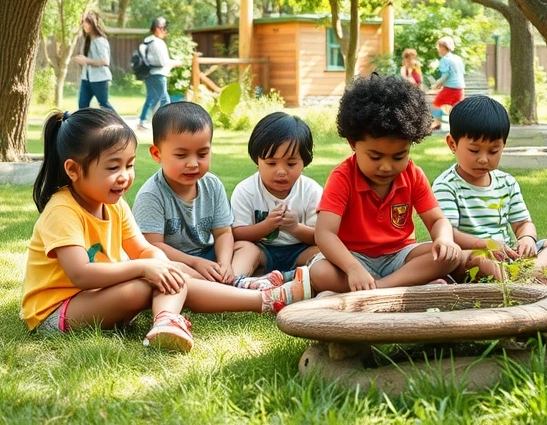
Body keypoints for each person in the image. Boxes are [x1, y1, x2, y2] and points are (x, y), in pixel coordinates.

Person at [21, 109, 310, 352]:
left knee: (167, 273)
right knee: (147, 282)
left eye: (130, 165)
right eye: (113, 167)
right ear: (73, 170)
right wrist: (147, 267)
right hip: (57, 310)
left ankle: (269, 299)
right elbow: (80, 274)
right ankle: (169, 318)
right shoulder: (63, 210)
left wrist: (161, 264)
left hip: (97, 295)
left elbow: (143, 249)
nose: (125, 177)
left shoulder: (114, 204)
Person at [306, 74, 462, 293]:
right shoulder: (342, 177)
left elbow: (437, 220)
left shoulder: (413, 174)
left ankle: (378, 288)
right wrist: (352, 268)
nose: (387, 167)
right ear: (353, 143)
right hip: (352, 257)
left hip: (399, 256)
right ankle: (403, 286)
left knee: (448, 257)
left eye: (399, 156)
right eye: (375, 157)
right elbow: (324, 233)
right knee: (320, 272)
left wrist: (444, 239)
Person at [432, 96, 547, 292]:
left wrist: (526, 239)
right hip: (471, 258)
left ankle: (526, 282)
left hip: (508, 257)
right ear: (452, 144)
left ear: (503, 145)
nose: (483, 159)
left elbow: (522, 224)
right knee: (480, 261)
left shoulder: (507, 183)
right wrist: (487, 244)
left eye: (494, 151)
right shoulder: (447, 185)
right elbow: (448, 233)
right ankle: (546, 283)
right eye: (474, 150)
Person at [133, 102, 280, 290]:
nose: (193, 163)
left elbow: (224, 233)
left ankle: (232, 278)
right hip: (176, 261)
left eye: (202, 154)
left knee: (247, 247)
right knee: (171, 270)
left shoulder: (212, 185)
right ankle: (235, 285)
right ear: (157, 154)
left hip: (208, 256)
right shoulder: (151, 195)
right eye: (181, 155)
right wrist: (194, 263)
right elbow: (154, 247)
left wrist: (225, 263)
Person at [231, 112, 323, 282]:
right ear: (257, 159)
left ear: (305, 161)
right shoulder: (246, 190)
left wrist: (294, 227)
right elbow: (237, 233)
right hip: (262, 251)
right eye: (271, 163)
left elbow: (321, 236)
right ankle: (238, 281)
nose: (281, 171)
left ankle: (287, 277)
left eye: (291, 163)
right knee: (243, 248)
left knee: (324, 252)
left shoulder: (311, 191)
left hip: (300, 252)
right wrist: (267, 226)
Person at [137, 17, 178, 131]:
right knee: (164, 99)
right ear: (158, 29)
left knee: (153, 98)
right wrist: (174, 63)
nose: (166, 31)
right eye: (164, 28)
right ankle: (168, 123)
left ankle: (143, 121)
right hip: (158, 74)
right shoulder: (158, 43)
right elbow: (162, 62)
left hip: (149, 74)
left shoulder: (148, 40)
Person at [73, 11, 115, 111]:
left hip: (99, 78)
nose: (83, 25)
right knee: (82, 106)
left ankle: (121, 125)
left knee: (104, 105)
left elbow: (105, 61)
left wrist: (86, 60)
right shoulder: (87, 40)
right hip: (86, 78)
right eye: (82, 22)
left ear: (93, 24)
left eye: (86, 22)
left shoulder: (100, 41)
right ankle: (83, 127)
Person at [430, 36, 465, 131]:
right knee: (457, 107)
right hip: (460, 88)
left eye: (439, 46)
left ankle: (436, 123)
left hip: (451, 88)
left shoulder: (445, 60)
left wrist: (436, 85)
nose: (437, 48)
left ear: (444, 47)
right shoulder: (457, 58)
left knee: (437, 102)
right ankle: (460, 126)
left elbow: (445, 76)